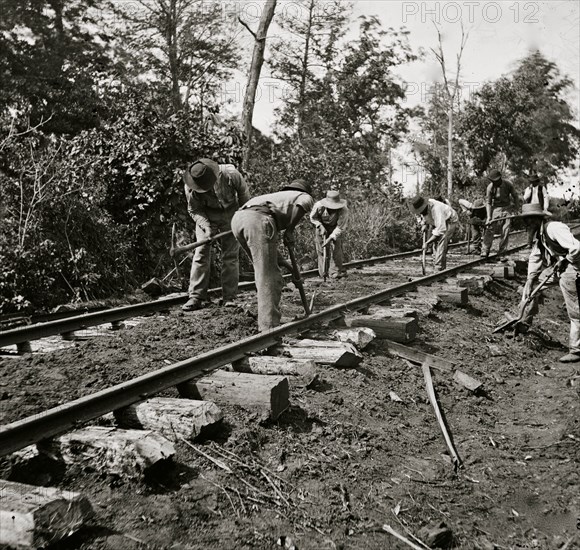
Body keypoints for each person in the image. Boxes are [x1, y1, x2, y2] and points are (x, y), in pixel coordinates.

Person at [231, 179, 314, 332]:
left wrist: (291, 268)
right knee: (270, 277)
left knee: (262, 270)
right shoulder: (303, 196)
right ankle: (269, 327)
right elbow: (303, 204)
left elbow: (273, 256)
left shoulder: (274, 198)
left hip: (238, 220)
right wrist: (290, 230)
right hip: (258, 220)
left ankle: (267, 319)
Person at [182, 158, 250, 311]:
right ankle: (196, 296)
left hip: (231, 214)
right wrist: (206, 227)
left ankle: (229, 298)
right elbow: (194, 210)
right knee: (201, 252)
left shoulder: (231, 175)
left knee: (230, 256)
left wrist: (242, 218)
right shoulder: (190, 186)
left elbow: (245, 198)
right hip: (206, 216)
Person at [517, 203, 580, 363]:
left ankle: (576, 350)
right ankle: (523, 320)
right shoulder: (540, 235)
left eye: (529, 220)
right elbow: (535, 257)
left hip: (573, 268)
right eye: (525, 221)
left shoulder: (553, 228)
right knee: (534, 287)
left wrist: (566, 260)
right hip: (561, 268)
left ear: (537, 219)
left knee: (574, 312)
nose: (526, 224)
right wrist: (530, 280)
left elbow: (577, 248)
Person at [409, 195, 458, 271]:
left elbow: (440, 230)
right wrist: (423, 223)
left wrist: (427, 243)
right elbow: (418, 216)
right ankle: (438, 264)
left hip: (449, 220)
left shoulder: (436, 209)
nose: (421, 212)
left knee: (441, 241)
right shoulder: (418, 207)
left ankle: (439, 268)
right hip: (436, 222)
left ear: (426, 206)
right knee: (435, 244)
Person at [310, 190, 349, 279]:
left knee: (336, 249)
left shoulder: (343, 210)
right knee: (321, 249)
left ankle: (335, 272)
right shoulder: (319, 206)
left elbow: (340, 227)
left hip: (336, 228)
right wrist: (320, 226)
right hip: (321, 226)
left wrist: (331, 238)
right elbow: (313, 218)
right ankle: (323, 272)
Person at [481, 169, 520, 258]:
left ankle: (502, 251)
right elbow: (489, 203)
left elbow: (515, 196)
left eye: (496, 181)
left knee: (505, 230)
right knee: (489, 227)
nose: (494, 183)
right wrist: (489, 216)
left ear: (500, 179)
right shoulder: (490, 188)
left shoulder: (508, 184)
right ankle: (485, 250)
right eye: (492, 181)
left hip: (507, 208)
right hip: (496, 209)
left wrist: (516, 209)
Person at [523, 174, 550, 247]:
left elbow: (545, 198)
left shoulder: (542, 188)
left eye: (534, 181)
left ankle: (540, 242)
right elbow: (525, 198)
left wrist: (545, 208)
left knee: (540, 226)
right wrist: (530, 190)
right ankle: (529, 243)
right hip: (530, 210)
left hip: (539, 209)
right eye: (531, 182)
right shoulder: (528, 189)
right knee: (530, 227)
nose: (533, 183)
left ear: (537, 181)